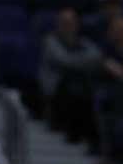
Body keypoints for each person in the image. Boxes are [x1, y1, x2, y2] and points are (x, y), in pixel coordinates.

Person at [39, 8, 103, 143]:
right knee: (74, 85)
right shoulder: (50, 41)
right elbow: (64, 60)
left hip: (82, 91)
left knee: (86, 90)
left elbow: (98, 56)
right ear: (58, 24)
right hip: (57, 91)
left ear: (77, 24)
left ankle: (88, 137)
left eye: (71, 22)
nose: (68, 26)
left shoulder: (83, 42)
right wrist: (84, 62)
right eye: (64, 22)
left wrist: (75, 61)